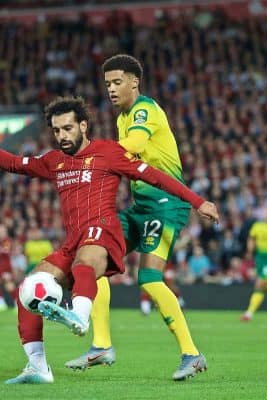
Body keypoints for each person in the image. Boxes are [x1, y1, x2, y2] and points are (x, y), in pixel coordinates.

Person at [0, 96, 219, 384]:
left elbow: (155, 177)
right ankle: (38, 366)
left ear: (83, 126)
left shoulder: (109, 152)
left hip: (103, 231)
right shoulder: (54, 161)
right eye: (56, 130)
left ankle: (79, 315)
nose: (62, 136)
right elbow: (13, 163)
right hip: (75, 240)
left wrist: (198, 201)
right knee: (28, 289)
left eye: (67, 128)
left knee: (86, 261)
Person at [65, 54, 207, 381]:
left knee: (149, 279)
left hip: (166, 203)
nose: (111, 90)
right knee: (96, 258)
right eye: (107, 84)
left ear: (134, 82)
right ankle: (101, 345)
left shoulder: (145, 110)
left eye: (117, 82)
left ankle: (192, 354)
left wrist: (94, 153)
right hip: (140, 205)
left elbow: (136, 144)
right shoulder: (120, 119)